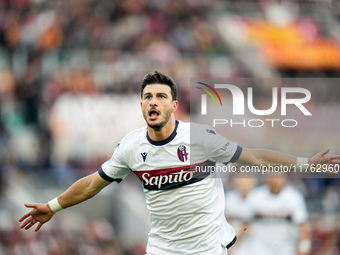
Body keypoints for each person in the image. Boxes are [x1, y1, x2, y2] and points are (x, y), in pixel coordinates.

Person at [19, 71, 340, 255]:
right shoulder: (131, 148)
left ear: (173, 105)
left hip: (207, 248)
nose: (153, 102)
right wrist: (54, 205)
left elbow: (255, 156)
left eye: (160, 96)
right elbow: (92, 183)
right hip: (162, 249)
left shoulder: (201, 139)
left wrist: (305, 163)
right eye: (148, 96)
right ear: (141, 104)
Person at [244, 174, 312, 255]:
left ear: (284, 177)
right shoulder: (256, 196)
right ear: (265, 177)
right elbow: (245, 224)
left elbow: (303, 225)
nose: (275, 180)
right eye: (272, 175)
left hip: (286, 250)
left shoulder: (294, 197)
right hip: (259, 249)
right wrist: (235, 245)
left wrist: (304, 247)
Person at [224, 176, 258, 255]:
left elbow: (246, 226)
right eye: (240, 182)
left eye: (246, 182)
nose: (243, 185)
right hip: (234, 244)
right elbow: (227, 221)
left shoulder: (257, 199)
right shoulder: (229, 198)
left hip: (253, 245)